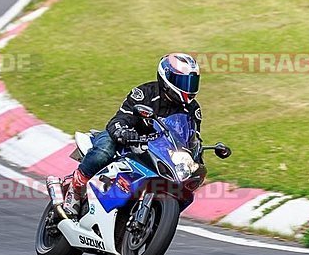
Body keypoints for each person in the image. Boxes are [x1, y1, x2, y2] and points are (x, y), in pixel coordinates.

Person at [59, 53, 202, 217]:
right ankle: (77, 187)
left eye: (192, 82)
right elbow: (119, 118)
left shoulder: (192, 110)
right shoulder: (145, 93)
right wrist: (124, 132)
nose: (189, 88)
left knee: (182, 181)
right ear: (166, 77)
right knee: (105, 150)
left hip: (158, 151)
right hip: (128, 139)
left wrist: (196, 155)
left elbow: (191, 138)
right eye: (184, 82)